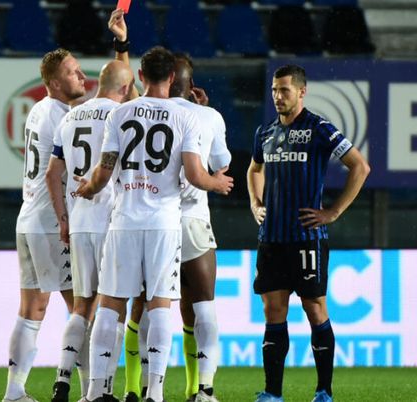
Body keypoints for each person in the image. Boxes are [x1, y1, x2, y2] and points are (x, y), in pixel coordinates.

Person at [75, 46, 233, 402]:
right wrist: (217, 183)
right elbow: (194, 174)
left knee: (112, 304)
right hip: (164, 222)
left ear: (141, 77)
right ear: (173, 77)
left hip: (124, 220)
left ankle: (99, 392)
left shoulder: (120, 113)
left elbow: (103, 170)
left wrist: (88, 188)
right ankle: (156, 393)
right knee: (161, 303)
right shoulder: (188, 118)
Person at [247, 65, 370, 402]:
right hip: (271, 238)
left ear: (302, 92)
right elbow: (254, 168)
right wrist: (256, 203)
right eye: (274, 89)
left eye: (284, 90)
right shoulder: (266, 132)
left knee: (315, 309)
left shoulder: (319, 128)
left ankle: (323, 391)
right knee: (274, 312)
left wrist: (334, 211)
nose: (277, 96)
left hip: (306, 238)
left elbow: (360, 166)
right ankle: (272, 393)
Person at [46, 60, 136, 402]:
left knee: (82, 305)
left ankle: (62, 382)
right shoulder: (122, 116)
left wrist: (63, 218)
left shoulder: (70, 117)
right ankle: (101, 390)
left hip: (80, 221)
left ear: (100, 82)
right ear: (126, 88)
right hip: (112, 221)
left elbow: (52, 174)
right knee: (114, 306)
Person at [3, 48, 87, 402]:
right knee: (81, 308)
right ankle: (90, 392)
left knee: (31, 310)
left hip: (28, 220)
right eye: (72, 72)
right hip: (52, 223)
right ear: (54, 83)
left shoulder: (39, 110)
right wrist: (66, 218)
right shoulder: (63, 119)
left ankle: (14, 391)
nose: (81, 76)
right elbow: (60, 174)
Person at [170, 53, 232, 402]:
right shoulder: (207, 116)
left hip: (154, 223)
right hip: (193, 221)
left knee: (155, 307)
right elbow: (222, 164)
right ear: (192, 86)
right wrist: (206, 113)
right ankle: (204, 390)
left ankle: (150, 389)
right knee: (203, 305)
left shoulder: (151, 113)